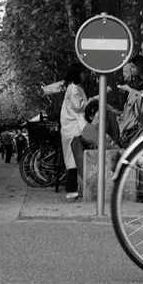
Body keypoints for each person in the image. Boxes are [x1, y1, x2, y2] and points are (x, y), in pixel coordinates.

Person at [60, 63, 89, 199]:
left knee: (72, 158)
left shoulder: (73, 88)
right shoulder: (74, 89)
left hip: (70, 127)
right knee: (74, 158)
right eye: (83, 72)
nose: (85, 75)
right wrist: (95, 99)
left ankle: (73, 189)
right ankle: (71, 190)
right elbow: (78, 107)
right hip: (74, 128)